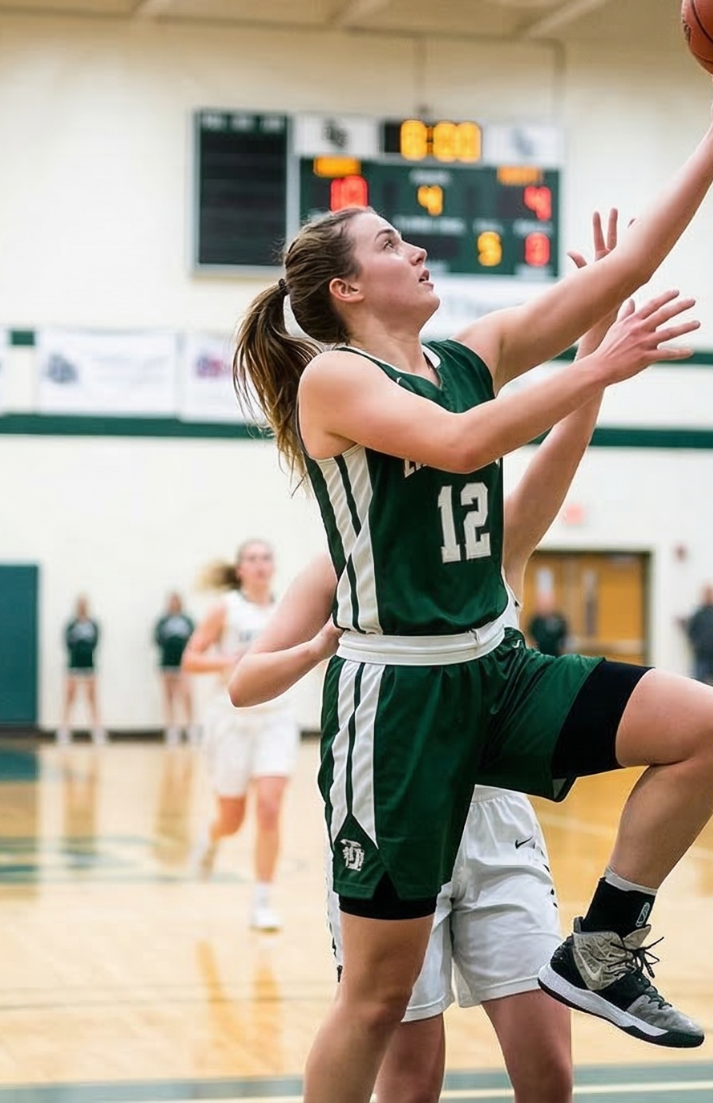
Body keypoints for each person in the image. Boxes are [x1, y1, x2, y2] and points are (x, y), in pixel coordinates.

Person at [229, 66, 713, 1100]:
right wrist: (592, 370)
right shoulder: (335, 377)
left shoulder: (467, 352)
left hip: (495, 667)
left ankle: (606, 942)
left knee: (712, 726)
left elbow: (625, 262)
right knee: (379, 996)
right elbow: (453, 446)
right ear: (347, 290)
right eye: (390, 241)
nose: (414, 247)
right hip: (395, 700)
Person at [228, 265, 622, 1103]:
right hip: (398, 787)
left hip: (493, 813)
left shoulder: (480, 538)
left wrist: (591, 355)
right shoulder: (350, 561)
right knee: (411, 1072)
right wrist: (317, 651)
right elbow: (242, 681)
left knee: (550, 1066)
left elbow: (547, 470)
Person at [183, 539, 293, 931]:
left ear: (273, 567)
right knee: (232, 818)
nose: (260, 564)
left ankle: (262, 902)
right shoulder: (225, 609)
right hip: (230, 719)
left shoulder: (287, 611)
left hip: (276, 718)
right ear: (240, 569)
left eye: (267, 557)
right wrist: (228, 661)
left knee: (269, 807)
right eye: (252, 558)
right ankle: (212, 838)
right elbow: (190, 659)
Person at [154, 592, 197, 746]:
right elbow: (156, 639)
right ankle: (172, 729)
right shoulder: (163, 621)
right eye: (171, 601)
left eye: (176, 600)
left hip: (184, 663)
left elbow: (195, 639)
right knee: (168, 696)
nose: (173, 603)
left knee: (186, 695)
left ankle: (191, 728)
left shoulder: (187, 620)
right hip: (167, 662)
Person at [62, 596, 104, 746]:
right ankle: (65, 730)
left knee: (92, 697)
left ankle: (97, 730)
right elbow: (66, 642)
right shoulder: (72, 625)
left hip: (89, 664)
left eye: (84, 604)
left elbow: (96, 642)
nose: (82, 607)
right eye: (80, 604)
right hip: (74, 664)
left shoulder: (93, 624)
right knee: (70, 696)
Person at [680, 586, 713, 688]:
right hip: (701, 656)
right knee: (698, 686)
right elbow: (691, 632)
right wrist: (696, 645)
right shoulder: (698, 614)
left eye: (711, 593)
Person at [525, 590, 570, 658]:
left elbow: (565, 640)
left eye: (546, 605)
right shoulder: (534, 621)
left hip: (556, 658)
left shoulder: (559, 620)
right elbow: (530, 638)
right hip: (539, 658)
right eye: (541, 605)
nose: (544, 608)